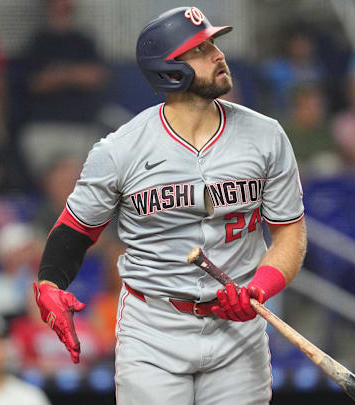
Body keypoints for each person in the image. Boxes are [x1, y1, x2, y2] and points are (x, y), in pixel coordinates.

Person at [32, 7, 306, 405]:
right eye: (200, 48)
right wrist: (50, 282)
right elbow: (77, 228)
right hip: (153, 328)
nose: (218, 54)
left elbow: (290, 234)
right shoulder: (119, 149)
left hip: (237, 331)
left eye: (214, 43)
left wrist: (259, 288)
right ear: (170, 70)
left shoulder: (266, 136)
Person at [19, 0, 108, 177]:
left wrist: (60, 74)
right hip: (43, 127)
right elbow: (37, 83)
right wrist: (74, 75)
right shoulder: (37, 42)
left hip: (81, 127)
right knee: (53, 178)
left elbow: (95, 77)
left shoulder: (85, 41)